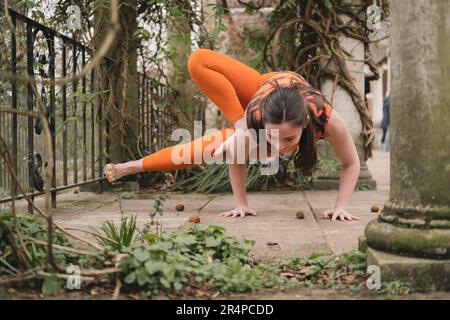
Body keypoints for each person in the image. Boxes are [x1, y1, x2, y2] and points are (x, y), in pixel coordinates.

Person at [104, 48, 361, 221]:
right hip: (262, 88)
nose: (280, 147)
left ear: (305, 125)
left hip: (286, 99)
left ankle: (131, 167)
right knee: (198, 61)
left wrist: (341, 207)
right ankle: (131, 166)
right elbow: (237, 156)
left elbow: (351, 163)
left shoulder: (328, 121)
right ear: (263, 124)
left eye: (289, 139)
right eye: (271, 138)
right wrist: (241, 203)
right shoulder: (256, 117)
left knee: (211, 148)